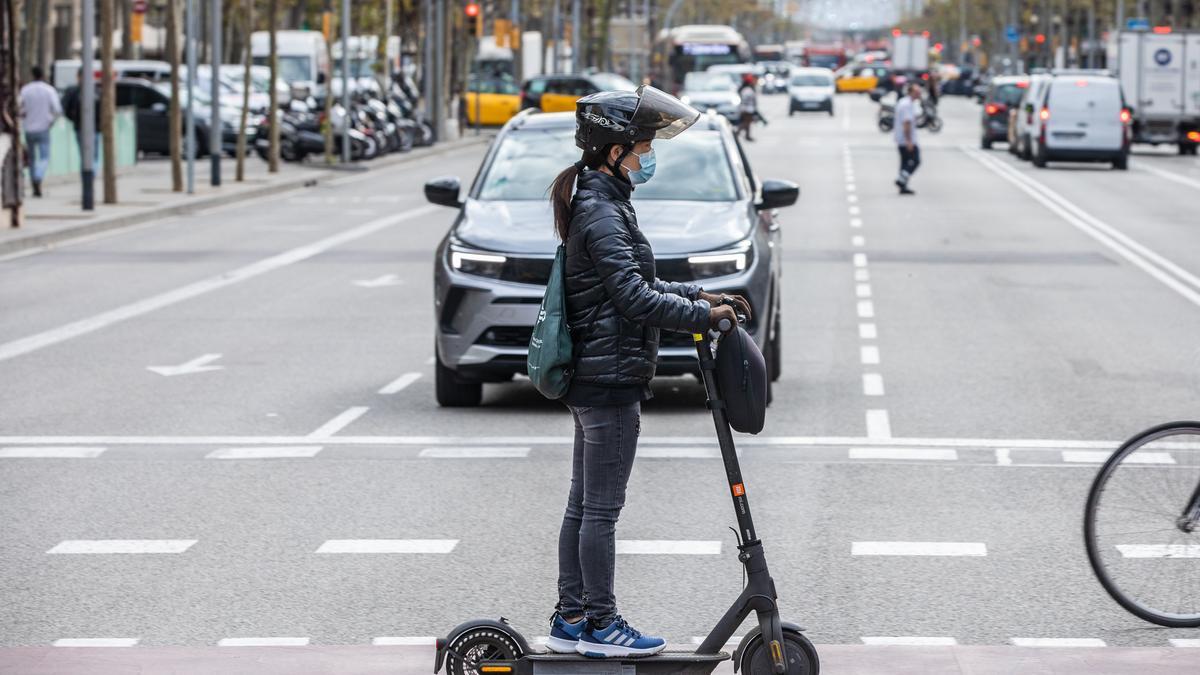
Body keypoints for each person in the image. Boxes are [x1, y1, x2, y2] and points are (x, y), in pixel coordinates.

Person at [543, 86, 751, 659]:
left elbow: (636, 284)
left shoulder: (603, 202)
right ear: (614, 150)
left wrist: (700, 294)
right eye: (642, 145)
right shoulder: (602, 211)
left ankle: (571, 618)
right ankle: (600, 626)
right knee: (599, 511)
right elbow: (634, 297)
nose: (646, 155)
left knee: (583, 506)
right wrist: (700, 316)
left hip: (600, 374)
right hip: (608, 379)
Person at [19, 66, 62, 197]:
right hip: (43, 128)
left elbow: (18, 107)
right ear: (43, 75)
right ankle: (38, 177)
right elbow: (57, 110)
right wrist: (51, 121)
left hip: (29, 128)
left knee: (31, 159)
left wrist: (24, 116)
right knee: (44, 157)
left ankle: (34, 183)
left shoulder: (25, 90)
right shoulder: (49, 90)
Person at [60, 70, 101, 163]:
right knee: (89, 154)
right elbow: (65, 108)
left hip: (90, 127)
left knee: (90, 155)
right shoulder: (95, 91)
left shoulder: (96, 91)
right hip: (84, 127)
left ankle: (90, 173)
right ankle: (89, 173)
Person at [893, 82, 922, 195]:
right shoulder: (906, 105)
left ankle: (903, 185)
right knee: (915, 160)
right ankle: (901, 180)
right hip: (906, 139)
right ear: (910, 92)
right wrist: (909, 141)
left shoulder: (906, 102)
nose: (919, 94)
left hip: (902, 139)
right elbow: (906, 123)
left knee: (904, 162)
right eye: (916, 92)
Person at [736, 73, 757, 141]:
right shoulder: (747, 90)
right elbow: (746, 100)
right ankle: (736, 133)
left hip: (747, 108)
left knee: (748, 123)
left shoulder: (747, 89)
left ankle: (747, 136)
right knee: (746, 123)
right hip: (747, 109)